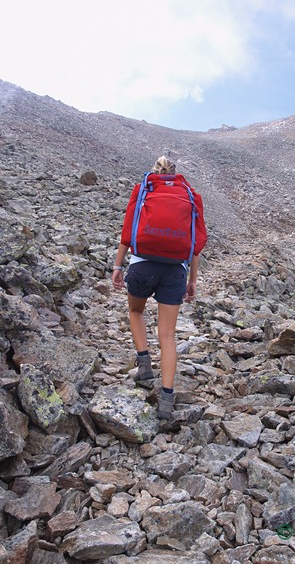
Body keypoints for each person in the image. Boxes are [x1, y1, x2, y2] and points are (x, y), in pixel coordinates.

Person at [111, 156, 207, 420]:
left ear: (154, 170)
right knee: (167, 335)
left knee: (136, 312)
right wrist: (192, 281)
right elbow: (196, 244)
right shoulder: (190, 194)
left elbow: (128, 230)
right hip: (176, 269)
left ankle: (144, 366)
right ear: (176, 173)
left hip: (143, 265)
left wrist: (118, 266)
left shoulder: (144, 188)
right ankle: (166, 400)